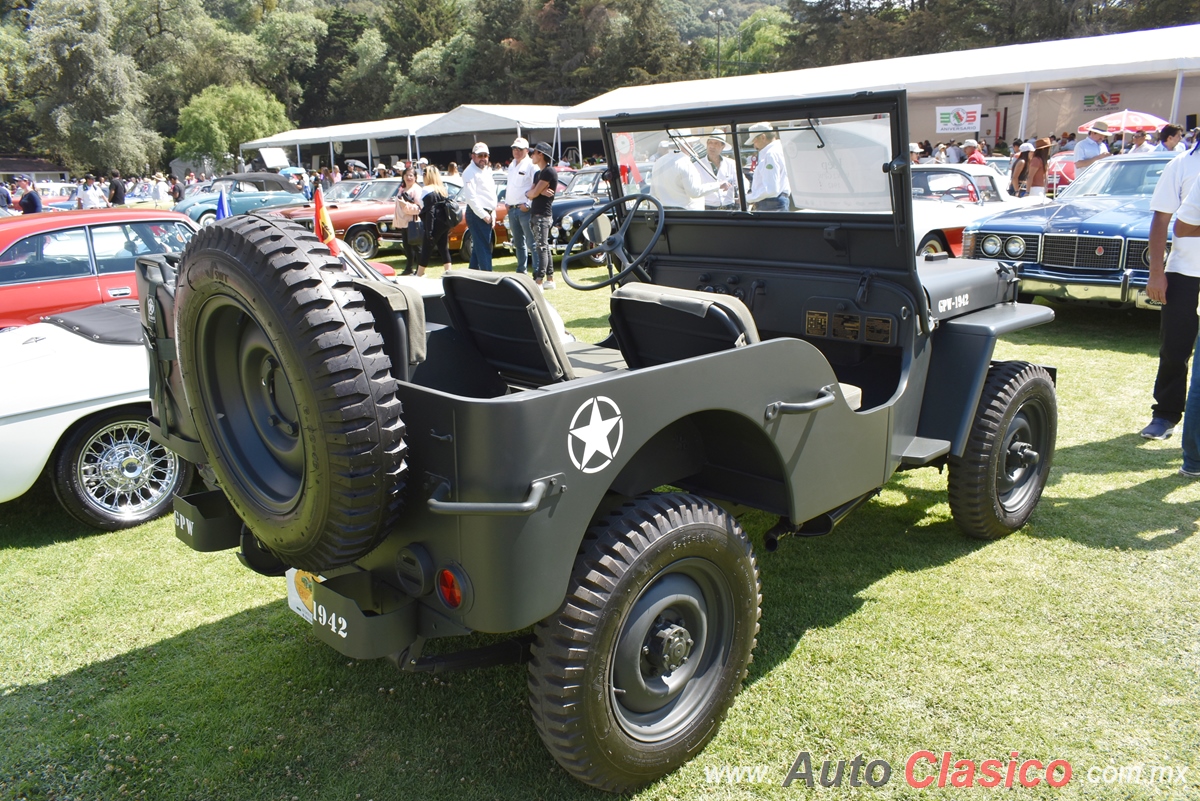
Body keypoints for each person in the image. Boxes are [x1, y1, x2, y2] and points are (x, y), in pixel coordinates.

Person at [1139, 137, 1200, 440]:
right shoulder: (1182, 163)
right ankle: (1165, 415)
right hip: (1184, 273)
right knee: (1175, 349)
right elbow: (1161, 219)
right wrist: (1156, 273)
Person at [650, 139, 724, 210]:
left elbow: (653, 194)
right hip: (687, 216)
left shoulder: (658, 162)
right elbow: (694, 191)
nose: (692, 147)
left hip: (665, 216)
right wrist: (718, 185)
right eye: (691, 144)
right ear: (686, 145)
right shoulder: (685, 163)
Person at [461, 142, 497, 271]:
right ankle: (489, 278)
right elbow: (471, 198)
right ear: (473, 156)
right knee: (484, 249)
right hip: (477, 214)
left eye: (485, 155)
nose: (483, 158)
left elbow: (490, 193)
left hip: (487, 212)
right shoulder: (469, 172)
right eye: (480, 155)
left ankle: (471, 277)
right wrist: (484, 215)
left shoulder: (486, 170)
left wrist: (493, 212)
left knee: (478, 249)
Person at [526, 141, 558, 289]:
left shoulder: (548, 172)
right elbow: (530, 194)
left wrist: (535, 192)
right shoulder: (538, 174)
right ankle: (550, 279)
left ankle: (539, 280)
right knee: (544, 246)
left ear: (541, 154)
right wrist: (536, 192)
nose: (532, 155)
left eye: (534, 153)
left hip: (543, 214)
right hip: (536, 213)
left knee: (541, 247)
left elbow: (533, 193)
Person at [505, 137, 535, 274]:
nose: (516, 151)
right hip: (512, 208)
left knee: (531, 242)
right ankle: (521, 271)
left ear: (526, 151)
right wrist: (506, 202)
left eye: (519, 149)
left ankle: (537, 271)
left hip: (524, 209)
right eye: (514, 149)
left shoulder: (530, 165)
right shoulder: (512, 164)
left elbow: (537, 185)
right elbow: (510, 185)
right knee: (518, 243)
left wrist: (528, 204)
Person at [744, 123, 789, 211]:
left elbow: (771, 189)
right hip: (777, 201)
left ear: (763, 137)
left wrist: (748, 198)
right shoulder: (780, 149)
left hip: (771, 204)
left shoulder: (770, 154)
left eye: (754, 141)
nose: (754, 146)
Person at [418, 166, 453, 274]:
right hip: (444, 223)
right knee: (443, 248)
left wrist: (429, 231)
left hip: (433, 223)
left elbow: (429, 211)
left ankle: (419, 273)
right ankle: (449, 272)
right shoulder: (442, 190)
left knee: (426, 249)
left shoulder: (426, 190)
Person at [394, 167, 424, 276]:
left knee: (417, 247)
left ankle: (420, 270)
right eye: (406, 175)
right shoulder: (402, 189)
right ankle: (409, 268)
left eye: (411, 175)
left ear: (415, 177)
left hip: (413, 223)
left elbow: (419, 208)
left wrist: (405, 205)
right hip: (404, 223)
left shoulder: (417, 190)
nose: (409, 177)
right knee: (407, 247)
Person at [701, 130, 739, 210]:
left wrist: (741, 195)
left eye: (716, 143)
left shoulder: (731, 163)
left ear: (723, 146)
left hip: (729, 208)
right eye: (710, 143)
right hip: (707, 208)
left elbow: (742, 182)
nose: (712, 146)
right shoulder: (698, 165)